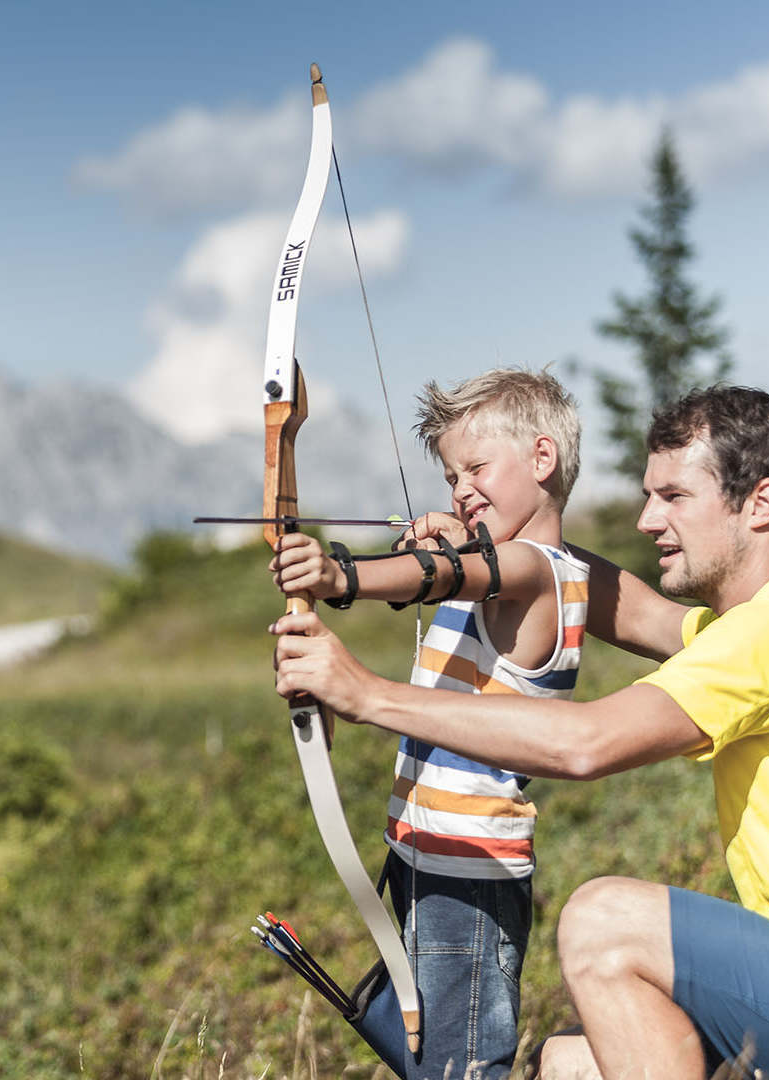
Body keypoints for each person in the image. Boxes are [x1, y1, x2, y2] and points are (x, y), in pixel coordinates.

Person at [271, 386, 769, 1080]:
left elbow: (585, 743)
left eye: (675, 498)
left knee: (604, 922)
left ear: (761, 503)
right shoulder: (762, 624)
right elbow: (588, 587)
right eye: (649, 496)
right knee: (569, 1066)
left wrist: (365, 693)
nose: (647, 520)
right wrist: (475, 544)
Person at [271, 367, 590, 1079]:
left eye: (477, 467)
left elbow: (446, 574)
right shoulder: (491, 569)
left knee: (461, 1067)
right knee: (436, 1061)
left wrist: (339, 577)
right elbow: (460, 573)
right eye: (451, 476)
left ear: (543, 460)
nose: (461, 489)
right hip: (426, 859)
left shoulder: (542, 570)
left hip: (469, 872)